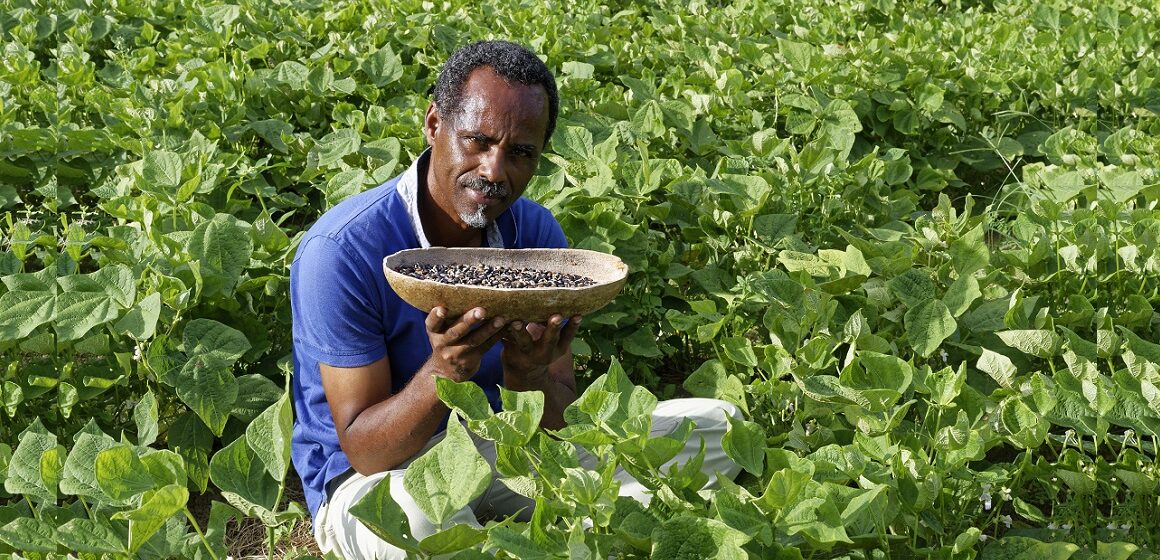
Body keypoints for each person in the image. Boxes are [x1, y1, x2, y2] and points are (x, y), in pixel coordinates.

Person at [290, 40, 740, 559]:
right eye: (477, 141)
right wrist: (445, 370)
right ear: (434, 124)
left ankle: (525, 526)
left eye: (521, 153)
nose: (495, 171)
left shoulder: (536, 233)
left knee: (717, 428)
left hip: (504, 445)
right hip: (376, 479)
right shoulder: (342, 250)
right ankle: (538, 530)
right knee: (424, 522)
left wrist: (528, 374)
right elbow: (365, 452)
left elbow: (558, 420)